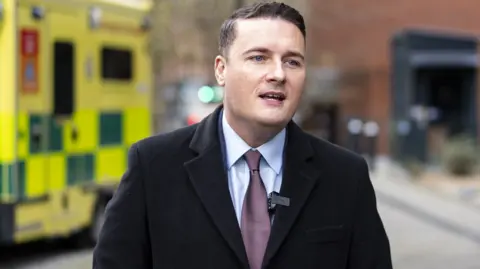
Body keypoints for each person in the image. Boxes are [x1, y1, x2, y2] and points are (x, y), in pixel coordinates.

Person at [92, 1, 393, 269]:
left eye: (292, 61)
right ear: (221, 70)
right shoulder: (153, 166)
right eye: (259, 57)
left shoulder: (345, 177)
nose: (278, 74)